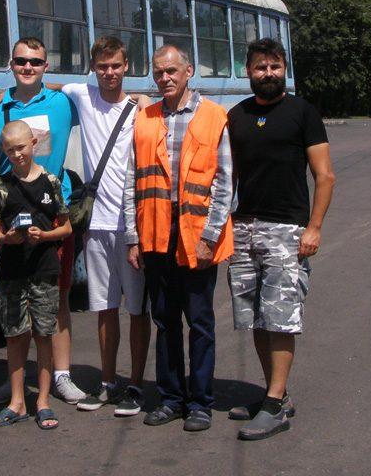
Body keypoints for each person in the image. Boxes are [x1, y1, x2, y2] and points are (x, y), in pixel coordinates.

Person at [226, 37, 335, 440]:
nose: (268, 73)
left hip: (287, 230)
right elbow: (230, 178)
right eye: (260, 67)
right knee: (256, 317)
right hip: (243, 230)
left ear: (283, 68)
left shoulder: (302, 113)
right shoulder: (236, 116)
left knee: (281, 318)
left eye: (274, 66)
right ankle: (276, 394)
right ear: (248, 71)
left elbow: (324, 176)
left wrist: (315, 227)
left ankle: (273, 405)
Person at [126, 45, 234, 431]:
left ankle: (201, 402)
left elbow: (224, 183)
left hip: (197, 235)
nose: (165, 78)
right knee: (165, 320)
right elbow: (131, 180)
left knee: (200, 320)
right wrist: (131, 237)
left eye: (172, 71)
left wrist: (210, 235)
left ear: (188, 71)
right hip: (155, 233)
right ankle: (171, 398)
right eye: (158, 73)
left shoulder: (213, 116)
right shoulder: (146, 117)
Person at [0, 37, 87, 406]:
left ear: (45, 66)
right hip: (10, 223)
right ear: (11, 63)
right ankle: (16, 382)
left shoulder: (62, 103)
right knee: (14, 306)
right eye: (21, 61)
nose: (27, 67)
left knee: (58, 301)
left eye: (35, 62)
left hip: (52, 216)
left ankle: (62, 375)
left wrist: (145, 99)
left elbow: (106, 96)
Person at [61, 36, 152, 417]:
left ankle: (135, 385)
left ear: (126, 66)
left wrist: (146, 102)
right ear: (93, 69)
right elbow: (46, 86)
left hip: (131, 225)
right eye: (102, 67)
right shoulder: (82, 94)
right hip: (95, 224)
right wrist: (2, 97)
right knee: (104, 308)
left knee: (136, 309)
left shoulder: (140, 108)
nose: (109, 73)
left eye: (115, 66)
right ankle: (107, 382)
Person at [0, 120, 73, 430]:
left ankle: (44, 402)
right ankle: (17, 402)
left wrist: (45, 235)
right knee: (15, 335)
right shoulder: (1, 185)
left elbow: (66, 226)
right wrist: (6, 237)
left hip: (44, 270)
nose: (16, 154)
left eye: (21, 147)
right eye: (9, 150)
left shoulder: (50, 182)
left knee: (43, 334)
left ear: (33, 144)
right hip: (11, 271)